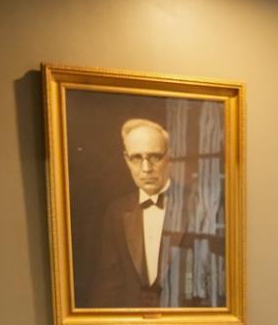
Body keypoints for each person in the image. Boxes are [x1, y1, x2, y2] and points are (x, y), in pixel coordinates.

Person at [89, 118, 226, 309]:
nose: (146, 168)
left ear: (169, 157)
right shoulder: (117, 212)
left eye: (154, 157)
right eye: (137, 158)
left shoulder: (201, 206)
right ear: (126, 160)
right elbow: (108, 286)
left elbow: (216, 280)